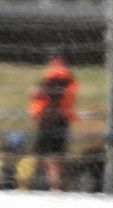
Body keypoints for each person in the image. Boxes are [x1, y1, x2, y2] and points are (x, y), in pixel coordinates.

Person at [29, 54, 79, 192]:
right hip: (54, 119)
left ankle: (57, 187)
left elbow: (49, 94)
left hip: (51, 120)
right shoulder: (63, 76)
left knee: (51, 156)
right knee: (53, 156)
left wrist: (37, 92)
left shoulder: (59, 75)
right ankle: (58, 185)